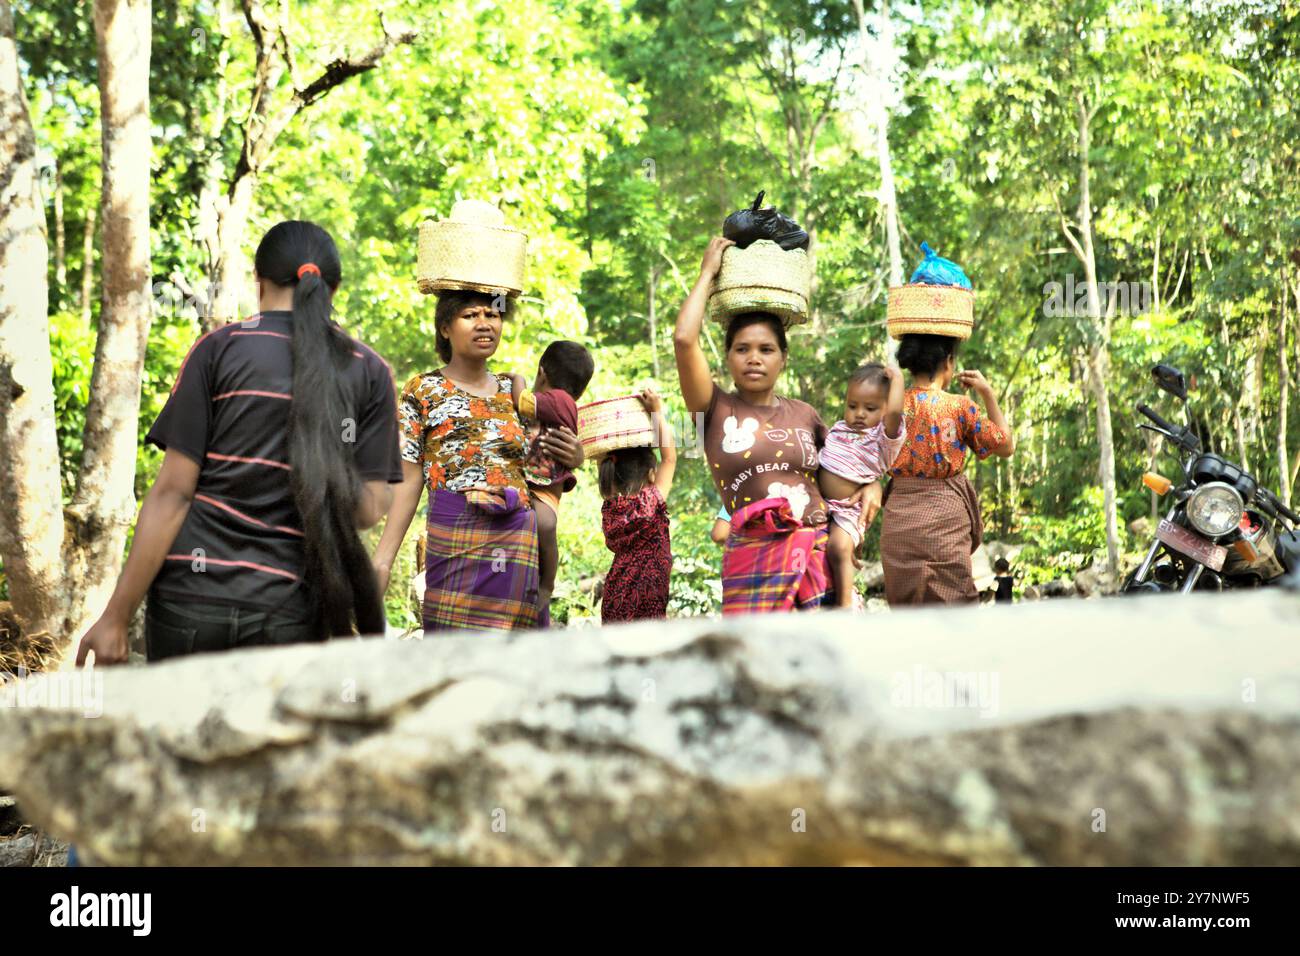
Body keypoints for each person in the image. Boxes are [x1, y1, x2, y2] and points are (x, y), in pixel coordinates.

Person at [76, 221, 401, 665]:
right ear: (334, 288)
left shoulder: (218, 349)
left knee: (180, 734)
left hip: (190, 600)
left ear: (259, 278)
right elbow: (367, 510)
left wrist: (116, 616)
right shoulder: (368, 371)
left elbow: (173, 494)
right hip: (290, 611)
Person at [673, 237, 880, 614]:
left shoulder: (806, 414)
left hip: (817, 557)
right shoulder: (713, 409)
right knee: (756, 669)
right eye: (742, 349)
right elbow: (684, 339)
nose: (754, 359)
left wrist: (873, 485)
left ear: (783, 357)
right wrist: (707, 274)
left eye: (766, 350)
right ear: (728, 356)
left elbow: (849, 468)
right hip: (752, 563)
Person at [372, 292, 585, 633]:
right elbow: (409, 479)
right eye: (471, 315)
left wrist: (576, 456)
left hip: (517, 549)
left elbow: (547, 466)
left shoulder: (517, 393)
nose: (485, 323)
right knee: (453, 670)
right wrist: (383, 559)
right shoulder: (422, 391)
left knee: (515, 675)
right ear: (445, 328)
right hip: (454, 546)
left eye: (493, 314)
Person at [882, 333, 1014, 605]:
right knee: (955, 609)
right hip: (946, 520)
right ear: (948, 362)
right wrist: (987, 392)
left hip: (899, 524)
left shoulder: (891, 407)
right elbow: (1005, 445)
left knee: (906, 611)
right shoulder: (960, 407)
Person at [509, 341, 595, 627]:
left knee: (545, 526)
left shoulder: (558, 400)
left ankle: (547, 584)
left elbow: (522, 401)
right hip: (532, 483)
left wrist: (516, 380)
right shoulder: (560, 404)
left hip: (544, 488)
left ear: (541, 372)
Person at [817, 362, 906, 608]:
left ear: (885, 410)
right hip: (821, 505)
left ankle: (845, 604)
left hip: (849, 510)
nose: (859, 414)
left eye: (870, 408)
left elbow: (896, 414)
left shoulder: (882, 438)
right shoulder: (839, 429)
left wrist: (897, 379)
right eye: (852, 406)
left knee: (838, 548)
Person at [598, 388, 676, 623]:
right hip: (648, 599)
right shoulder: (651, 502)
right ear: (652, 474)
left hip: (615, 597)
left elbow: (603, 462)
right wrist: (657, 412)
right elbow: (670, 458)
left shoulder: (610, 508)